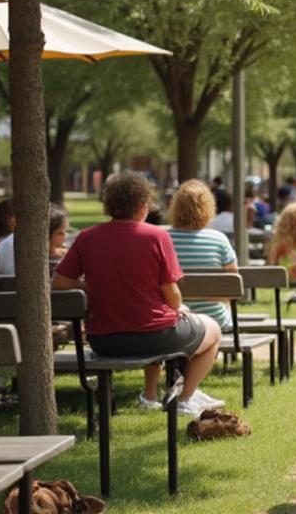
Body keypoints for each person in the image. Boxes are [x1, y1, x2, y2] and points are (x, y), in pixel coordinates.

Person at [52, 172, 224, 418]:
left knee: (155, 318)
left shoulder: (86, 238)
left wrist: (90, 287)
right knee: (213, 329)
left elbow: (59, 282)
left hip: (105, 340)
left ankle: (168, 394)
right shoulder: (156, 236)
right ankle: (185, 397)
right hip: (154, 336)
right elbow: (172, 296)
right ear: (143, 206)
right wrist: (180, 308)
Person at [166, 180, 238, 332]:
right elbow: (233, 286)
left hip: (176, 318)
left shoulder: (163, 239)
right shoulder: (219, 239)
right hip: (214, 319)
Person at [0, 204, 68, 275]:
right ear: (45, 234)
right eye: (60, 233)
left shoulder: (11, 241)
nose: (65, 237)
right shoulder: (29, 251)